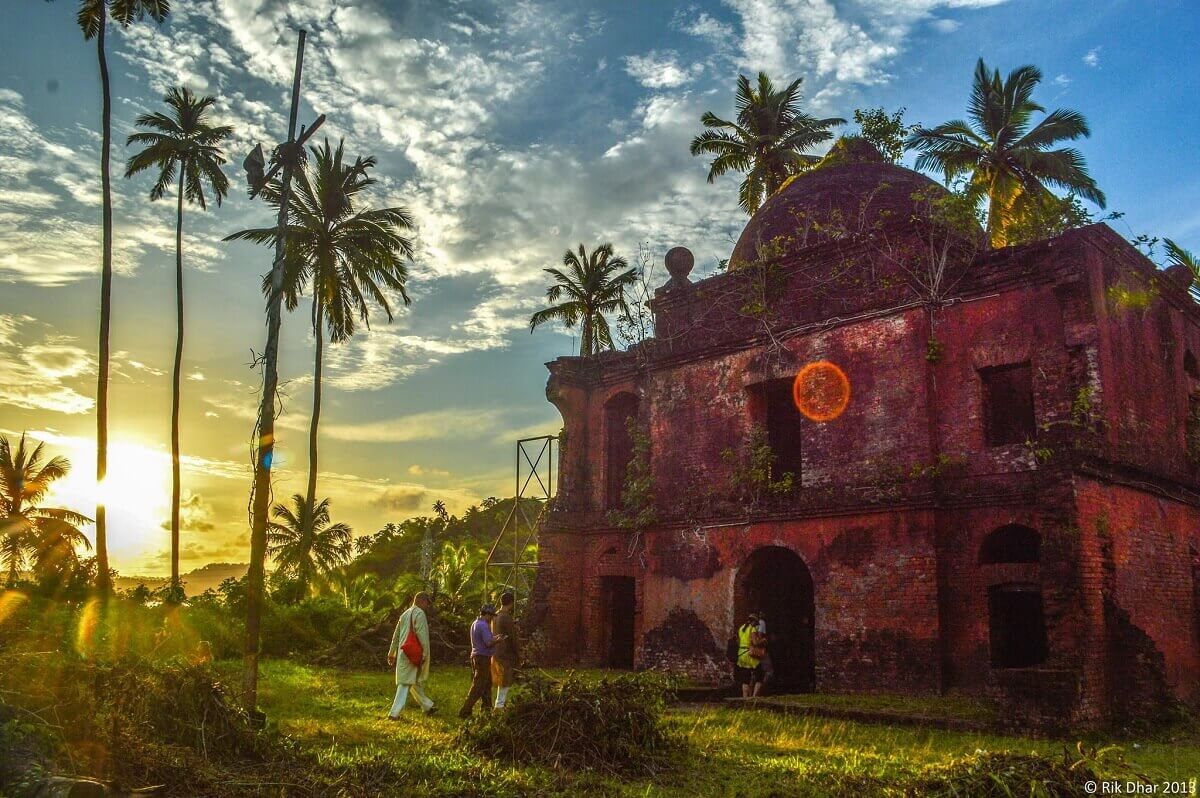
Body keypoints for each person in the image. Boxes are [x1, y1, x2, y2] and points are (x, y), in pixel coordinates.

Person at [387, 592, 437, 718]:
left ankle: (427, 706)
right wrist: (425, 653)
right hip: (413, 653)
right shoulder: (419, 614)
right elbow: (422, 635)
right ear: (421, 601)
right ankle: (394, 713)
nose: (427, 606)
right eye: (427, 603)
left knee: (414, 681)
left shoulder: (404, 614)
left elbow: (396, 635)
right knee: (405, 683)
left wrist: (392, 653)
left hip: (403, 652)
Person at [459, 603, 498, 718]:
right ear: (486, 614)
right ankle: (465, 711)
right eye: (491, 615)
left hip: (476, 656)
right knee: (478, 686)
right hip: (483, 658)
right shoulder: (484, 626)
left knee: (486, 684)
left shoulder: (475, 623)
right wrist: (498, 640)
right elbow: (488, 642)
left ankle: (487, 710)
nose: (491, 618)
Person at [490, 591, 520, 709]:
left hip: (495, 651)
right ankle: (499, 705)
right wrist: (518, 653)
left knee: (500, 679)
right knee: (505, 679)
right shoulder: (506, 617)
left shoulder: (495, 616)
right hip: (505, 652)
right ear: (511, 603)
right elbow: (512, 637)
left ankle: (498, 704)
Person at [736, 612, 765, 698]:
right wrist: (762, 641)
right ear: (753, 622)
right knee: (760, 674)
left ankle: (745, 698)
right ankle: (754, 696)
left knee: (745, 678)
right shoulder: (752, 629)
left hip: (741, 654)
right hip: (749, 654)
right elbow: (755, 642)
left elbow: (738, 641)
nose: (756, 625)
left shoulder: (741, 628)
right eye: (756, 623)